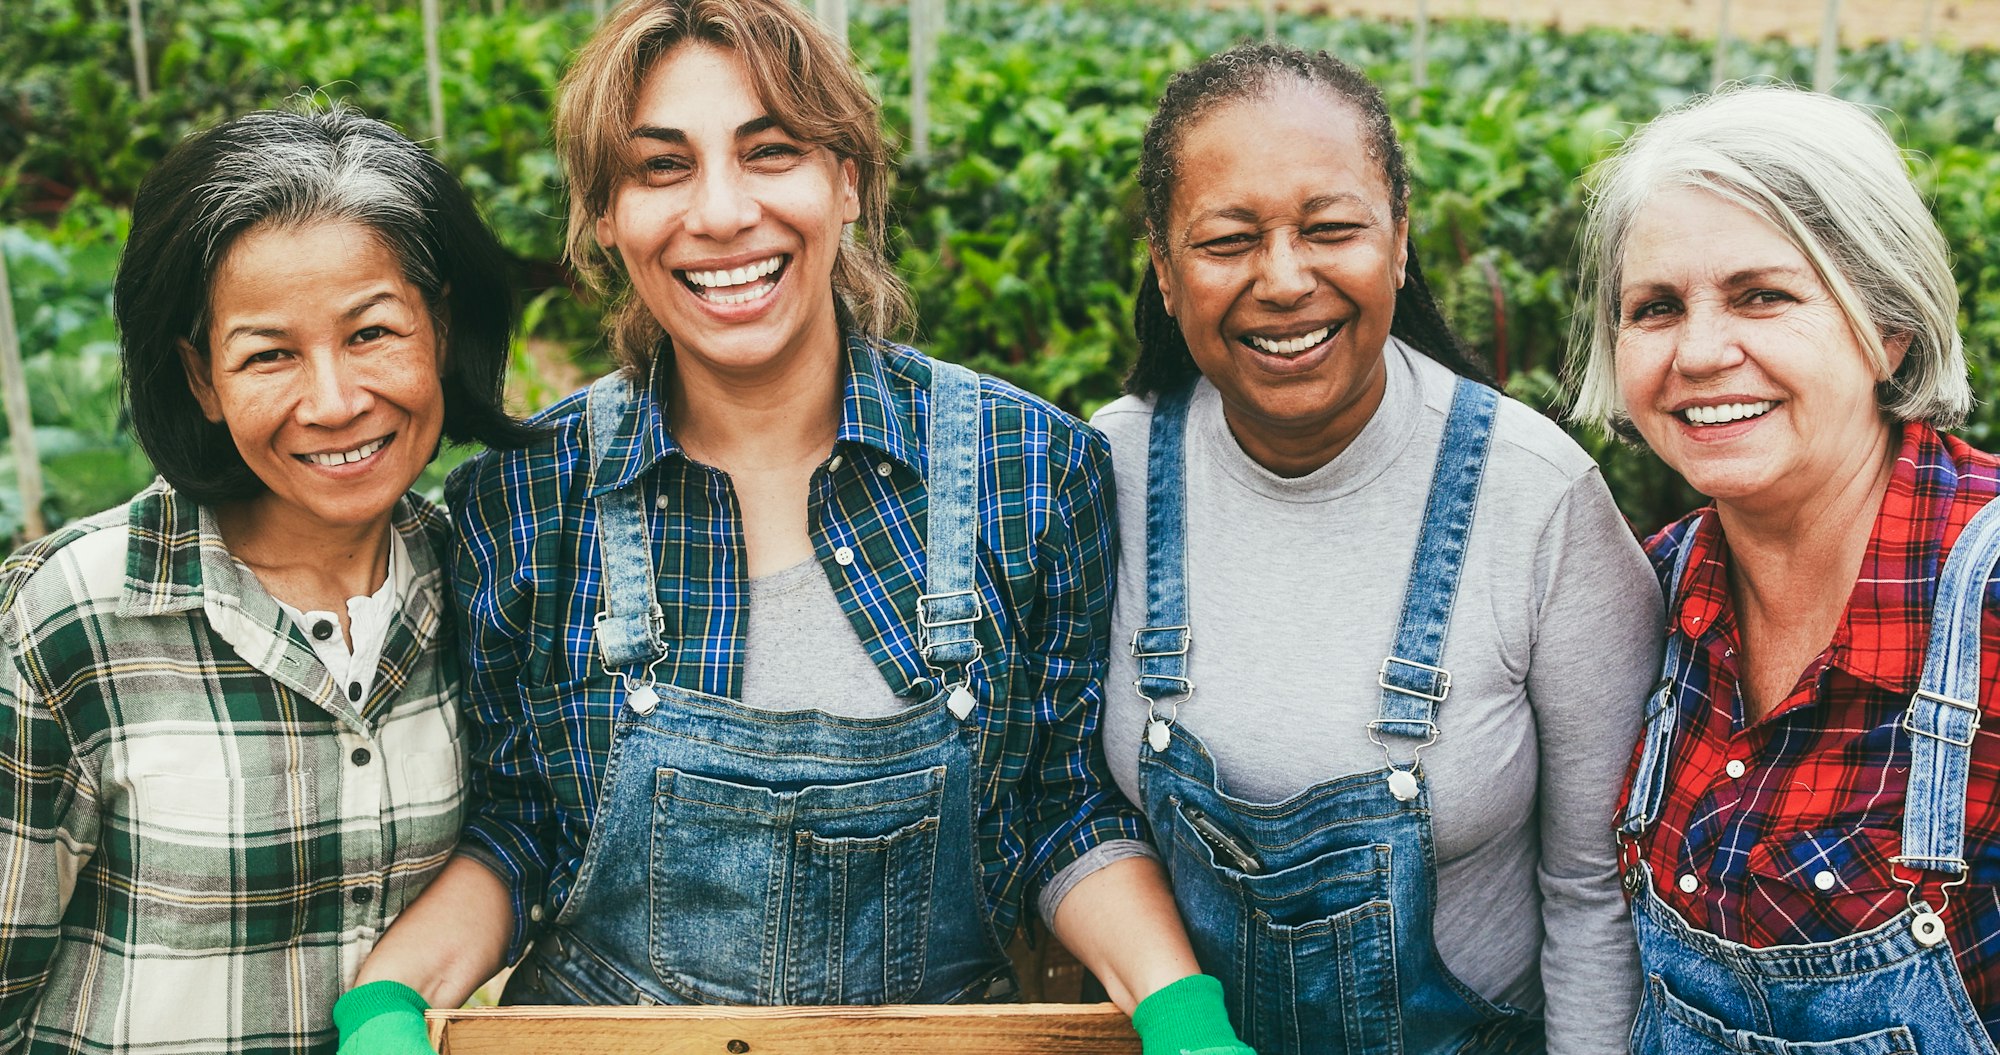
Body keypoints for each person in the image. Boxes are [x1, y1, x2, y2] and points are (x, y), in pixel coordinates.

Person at [332, 2, 1249, 1052]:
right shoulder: (525, 497)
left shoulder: (1029, 468)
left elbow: (1057, 811)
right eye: (660, 167)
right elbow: (523, 828)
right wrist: (389, 998)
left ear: (847, 180)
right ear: (602, 217)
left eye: (770, 151)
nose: (721, 212)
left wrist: (1181, 1009)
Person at [1092, 42, 1660, 1055]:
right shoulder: (1109, 470)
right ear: (1165, 271)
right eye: (1226, 239)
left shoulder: (1533, 496)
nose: (1281, 278)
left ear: (1397, 241)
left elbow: (1592, 894)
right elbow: (1064, 812)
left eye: (1330, 229)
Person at [0, 105, 538, 1054]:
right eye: (268, 354)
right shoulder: (68, 616)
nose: (333, 402)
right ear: (202, 378)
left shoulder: (480, 583)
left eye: (371, 333)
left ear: (439, 328)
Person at [1572, 83, 2000, 1052]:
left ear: (1884, 324)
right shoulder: (1645, 592)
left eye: (1761, 295)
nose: (1698, 350)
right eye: (1654, 307)